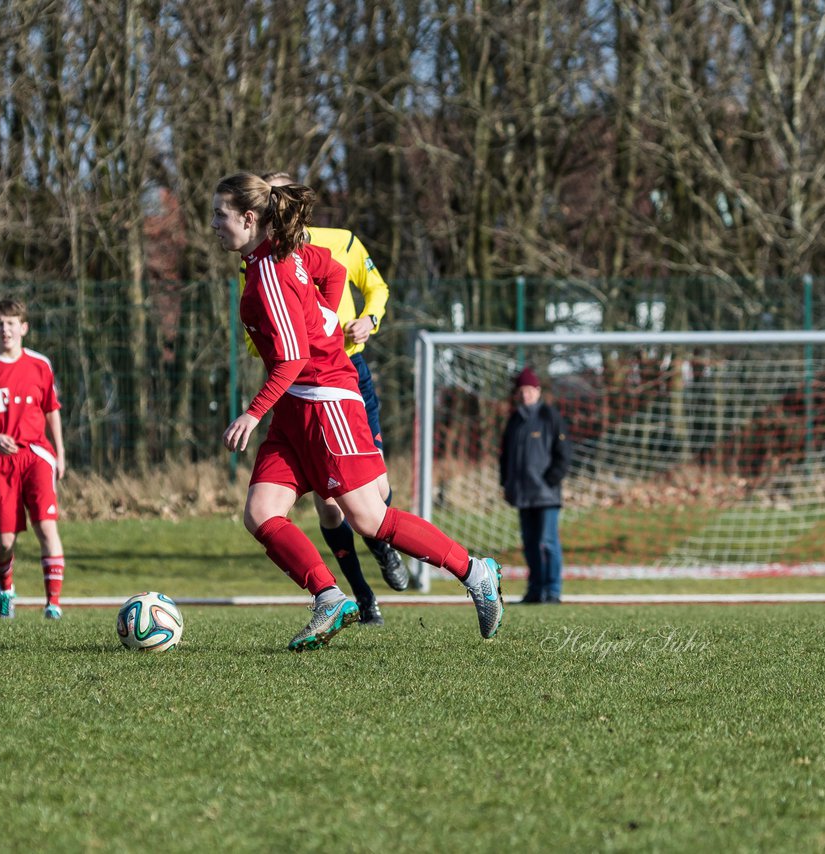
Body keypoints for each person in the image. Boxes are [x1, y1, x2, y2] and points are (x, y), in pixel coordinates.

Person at [211, 171, 504, 651]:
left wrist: (251, 413)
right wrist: (327, 317)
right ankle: (329, 597)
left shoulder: (270, 274)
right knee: (262, 513)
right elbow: (330, 269)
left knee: (370, 519)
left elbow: (293, 359)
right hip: (297, 407)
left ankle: (476, 573)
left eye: (219, 215)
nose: (213, 225)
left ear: (248, 219)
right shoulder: (278, 256)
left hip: (327, 401)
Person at [235, 171, 407, 627]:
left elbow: (376, 288)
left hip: (346, 377)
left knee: (375, 497)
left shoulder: (341, 241)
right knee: (329, 507)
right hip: (298, 385)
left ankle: (388, 549)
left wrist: (364, 320)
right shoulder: (256, 260)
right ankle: (358, 595)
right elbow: (265, 335)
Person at [0, 297, 68, 620]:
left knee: (46, 527)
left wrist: (60, 453)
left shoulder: (40, 365)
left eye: (11, 323)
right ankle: (5, 589)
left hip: (37, 454)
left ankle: (53, 604)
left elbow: (52, 410)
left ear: (23, 327)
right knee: (5, 539)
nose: (4, 329)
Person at [499, 366, 572, 604]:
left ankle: (552, 591)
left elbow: (564, 454)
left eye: (529, 390)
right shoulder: (514, 420)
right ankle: (534, 591)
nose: (525, 395)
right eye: (521, 391)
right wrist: (506, 484)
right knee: (530, 544)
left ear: (538, 391)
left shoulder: (550, 416)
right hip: (522, 494)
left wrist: (550, 481)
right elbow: (505, 456)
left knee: (547, 542)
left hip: (546, 494)